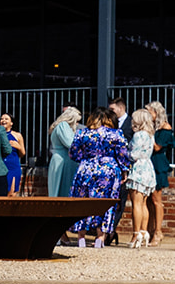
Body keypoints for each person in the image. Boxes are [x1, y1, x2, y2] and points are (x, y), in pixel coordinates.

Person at [67, 108, 132, 247]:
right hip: (108, 170)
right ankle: (100, 238)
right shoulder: (116, 134)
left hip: (86, 169)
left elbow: (73, 153)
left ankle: (81, 237)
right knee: (105, 203)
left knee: (82, 203)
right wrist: (125, 170)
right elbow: (123, 154)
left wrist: (85, 159)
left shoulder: (82, 133)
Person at [124, 109, 157, 248]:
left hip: (138, 169)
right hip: (148, 168)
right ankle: (144, 232)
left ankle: (136, 233)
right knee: (143, 203)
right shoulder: (150, 135)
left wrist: (125, 153)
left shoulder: (138, 135)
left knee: (136, 204)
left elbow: (134, 154)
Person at [147, 100, 174, 245]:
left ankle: (158, 232)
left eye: (149, 112)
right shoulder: (152, 127)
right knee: (149, 201)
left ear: (156, 113)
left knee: (157, 200)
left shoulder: (165, 128)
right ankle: (150, 230)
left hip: (158, 164)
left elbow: (157, 147)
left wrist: (149, 134)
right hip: (149, 163)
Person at [47, 106, 80, 197]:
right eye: (76, 121)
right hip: (63, 161)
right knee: (62, 189)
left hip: (62, 159)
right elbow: (70, 143)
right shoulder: (63, 125)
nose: (77, 124)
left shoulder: (61, 126)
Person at [0, 113, 25, 194]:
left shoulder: (17, 135)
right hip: (0, 168)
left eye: (6, 119)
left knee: (12, 192)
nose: (3, 120)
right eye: (2, 119)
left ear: (11, 123)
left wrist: (18, 147)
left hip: (13, 167)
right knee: (0, 194)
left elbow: (22, 154)